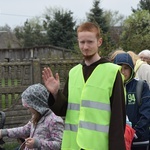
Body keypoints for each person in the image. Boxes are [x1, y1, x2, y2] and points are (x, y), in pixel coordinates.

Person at [42, 22, 126, 150]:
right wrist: (55, 94)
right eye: (82, 42)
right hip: (73, 146)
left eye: (90, 42)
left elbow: (118, 119)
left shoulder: (112, 72)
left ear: (99, 42)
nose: (85, 47)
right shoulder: (74, 72)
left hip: (99, 146)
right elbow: (63, 111)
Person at [0, 83, 64, 150]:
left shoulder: (54, 120)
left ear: (37, 105)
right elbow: (24, 130)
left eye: (29, 107)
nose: (29, 110)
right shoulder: (36, 117)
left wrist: (37, 143)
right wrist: (4, 132)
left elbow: (59, 144)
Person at [113, 53, 150, 150]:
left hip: (139, 140)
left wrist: (135, 133)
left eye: (126, 68)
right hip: (118, 141)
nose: (123, 71)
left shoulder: (141, 86)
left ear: (131, 69)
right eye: (119, 68)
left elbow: (146, 112)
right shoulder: (110, 88)